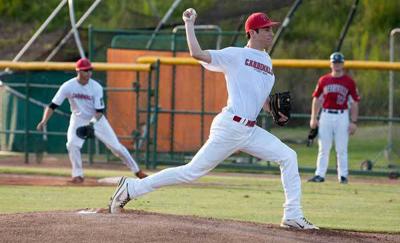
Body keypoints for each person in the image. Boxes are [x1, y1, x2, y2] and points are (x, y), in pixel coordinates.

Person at [108, 9, 318, 230]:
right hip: (230, 127)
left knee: (288, 156)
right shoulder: (235, 55)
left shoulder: (267, 60)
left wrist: (272, 110)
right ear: (252, 32)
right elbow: (197, 53)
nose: (271, 32)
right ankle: (132, 188)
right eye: (266, 29)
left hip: (250, 131)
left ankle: (292, 214)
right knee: (191, 172)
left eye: (271, 29)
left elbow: (261, 97)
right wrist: (189, 23)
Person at [36, 58, 148, 183]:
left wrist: (91, 124)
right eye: (85, 71)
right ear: (78, 71)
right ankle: (77, 175)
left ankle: (137, 171)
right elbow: (53, 105)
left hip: (97, 120)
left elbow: (99, 111)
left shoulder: (96, 87)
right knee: (72, 144)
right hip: (78, 118)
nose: (89, 73)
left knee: (116, 147)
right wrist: (44, 121)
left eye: (90, 70)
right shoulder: (68, 86)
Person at [308, 52, 360, 184]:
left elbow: (354, 102)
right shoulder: (324, 80)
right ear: (331, 64)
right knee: (323, 147)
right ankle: (319, 175)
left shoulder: (349, 81)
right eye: (334, 62)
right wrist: (314, 117)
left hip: (342, 115)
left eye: (339, 62)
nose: (337, 65)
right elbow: (317, 99)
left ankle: (343, 176)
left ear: (343, 64)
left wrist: (354, 121)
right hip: (325, 115)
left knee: (341, 148)